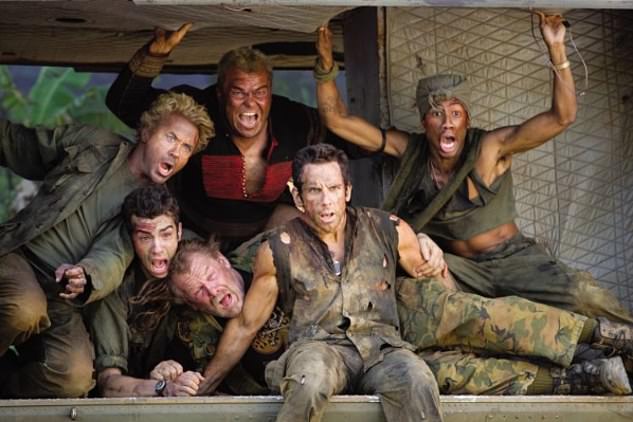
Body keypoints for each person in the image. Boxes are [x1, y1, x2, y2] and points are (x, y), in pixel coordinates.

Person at [174, 144, 631, 415]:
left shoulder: (385, 228)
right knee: (320, 379)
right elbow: (246, 326)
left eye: (333, 189)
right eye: (314, 191)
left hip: (392, 335)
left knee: (457, 343)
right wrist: (206, 384)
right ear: (298, 195)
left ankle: (606, 338)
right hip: (326, 348)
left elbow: (434, 278)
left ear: (347, 190)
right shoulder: (277, 250)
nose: (326, 201)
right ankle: (584, 375)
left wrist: (450, 293)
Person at [314, 13, 633, 327]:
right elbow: (337, 121)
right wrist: (326, 67)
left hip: (513, 262)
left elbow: (562, 117)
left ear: (467, 119)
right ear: (424, 121)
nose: (447, 123)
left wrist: (557, 48)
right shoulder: (411, 151)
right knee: (408, 288)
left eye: (456, 113)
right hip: (461, 271)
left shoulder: (489, 149)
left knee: (583, 295)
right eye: (437, 114)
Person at [0, 92, 213, 398]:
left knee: (73, 379)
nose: (176, 152)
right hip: (20, 255)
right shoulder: (95, 144)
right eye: (171, 138)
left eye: (186, 148)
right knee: (24, 309)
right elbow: (21, 145)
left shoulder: (154, 204)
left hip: (63, 294)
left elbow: (115, 254)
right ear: (146, 131)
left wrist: (87, 276)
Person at [106, 23, 343, 252]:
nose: (250, 103)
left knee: (320, 238)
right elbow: (123, 103)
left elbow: (345, 136)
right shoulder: (195, 113)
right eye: (239, 93)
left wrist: (327, 71)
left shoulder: (292, 120)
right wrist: (153, 56)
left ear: (270, 93)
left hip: (265, 236)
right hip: (193, 236)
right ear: (220, 93)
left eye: (260, 92)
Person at [87, 184, 208, 397]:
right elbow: (109, 383)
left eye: (166, 235)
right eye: (145, 237)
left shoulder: (199, 257)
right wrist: (162, 387)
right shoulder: (116, 290)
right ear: (131, 239)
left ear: (179, 232)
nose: (157, 248)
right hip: (141, 390)